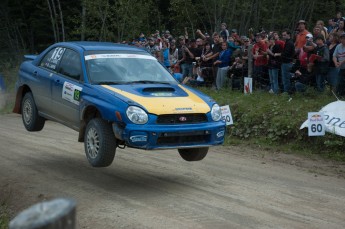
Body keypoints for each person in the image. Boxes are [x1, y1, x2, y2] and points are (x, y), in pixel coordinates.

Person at [279, 29, 295, 94]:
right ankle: (288, 91)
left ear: (289, 35)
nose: (283, 36)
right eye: (282, 35)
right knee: (286, 77)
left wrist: (280, 54)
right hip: (287, 62)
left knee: (286, 78)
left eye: (285, 35)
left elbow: (286, 53)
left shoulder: (289, 43)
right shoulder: (288, 42)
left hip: (287, 62)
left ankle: (287, 91)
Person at [333, 32, 345, 97]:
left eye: (344, 38)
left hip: (342, 64)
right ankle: (340, 95)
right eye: (342, 38)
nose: (343, 40)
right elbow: (334, 56)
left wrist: (341, 62)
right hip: (341, 67)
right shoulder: (338, 46)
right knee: (340, 81)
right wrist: (335, 62)